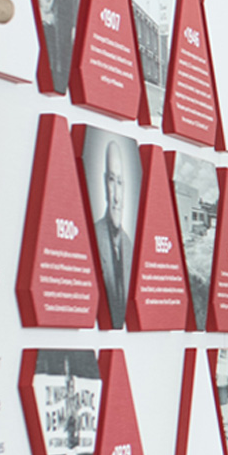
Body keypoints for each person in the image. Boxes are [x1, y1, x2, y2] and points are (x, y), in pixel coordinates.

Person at [95, 140, 133, 330]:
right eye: (111, 181)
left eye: (120, 183)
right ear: (104, 183)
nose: (116, 197)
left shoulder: (130, 246)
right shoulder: (92, 237)